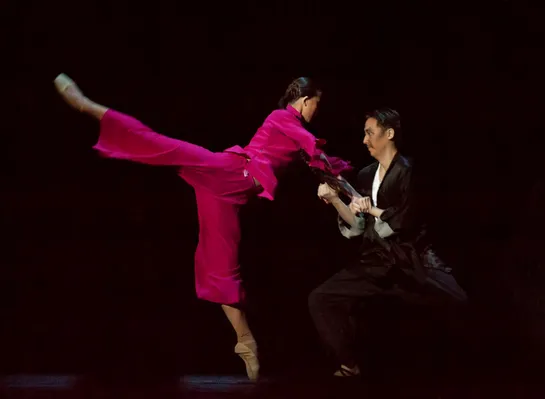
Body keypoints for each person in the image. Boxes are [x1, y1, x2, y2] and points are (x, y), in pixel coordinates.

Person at [53, 74, 352, 381]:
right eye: (317, 102)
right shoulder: (283, 118)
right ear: (305, 100)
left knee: (220, 264)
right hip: (229, 173)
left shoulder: (295, 131)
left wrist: (354, 194)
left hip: (228, 195)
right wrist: (343, 183)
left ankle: (245, 341)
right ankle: (87, 106)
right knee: (160, 145)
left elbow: (323, 164)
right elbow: (316, 152)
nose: (318, 109)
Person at [309, 107, 467, 378]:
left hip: (409, 258)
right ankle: (349, 363)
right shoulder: (365, 175)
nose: (364, 140)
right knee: (321, 298)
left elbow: (404, 220)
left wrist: (370, 209)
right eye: (364, 134)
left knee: (459, 302)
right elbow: (358, 226)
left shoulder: (410, 172)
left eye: (370, 133)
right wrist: (336, 200)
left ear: (389, 133)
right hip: (375, 260)